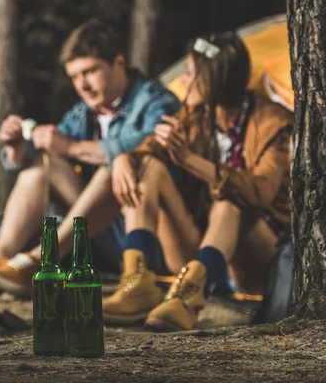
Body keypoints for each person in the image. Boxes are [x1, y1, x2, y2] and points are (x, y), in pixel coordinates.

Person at [0, 19, 180, 294]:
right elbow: (46, 152)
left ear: (118, 62)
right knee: (42, 166)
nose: (83, 85)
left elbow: (149, 148)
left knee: (116, 166)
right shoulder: (84, 112)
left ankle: (39, 262)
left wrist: (71, 148)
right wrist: (17, 146)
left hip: (149, 231)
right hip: (101, 233)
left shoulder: (155, 100)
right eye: (75, 77)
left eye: (90, 72)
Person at [102, 32, 293, 331]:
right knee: (151, 170)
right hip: (201, 251)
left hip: (255, 259)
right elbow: (150, 149)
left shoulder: (273, 121)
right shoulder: (195, 114)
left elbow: (260, 192)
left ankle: (193, 294)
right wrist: (124, 160)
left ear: (214, 78)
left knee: (229, 201)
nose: (184, 81)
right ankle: (137, 281)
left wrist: (190, 160)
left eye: (190, 74)